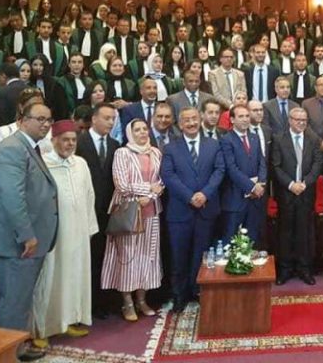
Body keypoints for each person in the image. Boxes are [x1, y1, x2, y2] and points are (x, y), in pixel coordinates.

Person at [0, 102, 58, 362]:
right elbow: (13, 197)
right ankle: (9, 355)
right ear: (22, 120)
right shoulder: (12, 149)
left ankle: (19, 348)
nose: (45, 124)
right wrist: (27, 235)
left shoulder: (27, 146)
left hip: (25, 241)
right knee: (14, 301)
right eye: (40, 119)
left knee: (21, 299)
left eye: (48, 119)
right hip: (17, 242)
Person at [33, 120, 98, 347]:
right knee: (50, 279)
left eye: (73, 140)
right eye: (65, 140)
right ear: (53, 141)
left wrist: (90, 227)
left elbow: (89, 195)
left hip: (78, 231)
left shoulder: (80, 163)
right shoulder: (43, 164)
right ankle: (42, 329)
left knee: (74, 277)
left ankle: (68, 321)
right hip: (54, 234)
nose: (70, 144)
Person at [161, 107, 226, 313]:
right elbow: (168, 175)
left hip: (207, 209)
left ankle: (198, 291)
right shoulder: (170, 148)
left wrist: (204, 194)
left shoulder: (213, 144)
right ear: (180, 125)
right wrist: (190, 197)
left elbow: (219, 170)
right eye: (186, 120)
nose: (191, 123)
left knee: (201, 254)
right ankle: (179, 295)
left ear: (200, 120)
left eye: (194, 119)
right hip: (180, 211)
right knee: (179, 256)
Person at [101, 119, 164, 321]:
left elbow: (161, 182)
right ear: (130, 133)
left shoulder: (156, 152)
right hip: (128, 213)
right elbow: (121, 185)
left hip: (151, 211)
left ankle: (142, 300)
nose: (142, 133)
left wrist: (151, 196)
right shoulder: (122, 153)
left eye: (145, 129)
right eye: (137, 130)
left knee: (148, 256)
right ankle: (127, 303)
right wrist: (147, 189)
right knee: (128, 258)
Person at [76, 103, 120, 319]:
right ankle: (87, 304)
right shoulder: (79, 142)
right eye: (106, 118)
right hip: (85, 210)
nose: (111, 122)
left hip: (108, 211)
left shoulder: (115, 145)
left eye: (113, 119)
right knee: (88, 258)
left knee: (105, 256)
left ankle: (104, 301)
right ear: (94, 119)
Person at [271, 107, 323, 285]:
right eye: (297, 119)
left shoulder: (313, 139)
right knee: (285, 232)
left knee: (305, 232)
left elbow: (317, 164)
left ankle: (304, 269)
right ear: (290, 120)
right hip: (286, 193)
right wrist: (291, 185)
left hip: (306, 193)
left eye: (304, 120)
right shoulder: (279, 139)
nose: (301, 123)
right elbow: (276, 166)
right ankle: (285, 269)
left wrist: (305, 183)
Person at [219, 105, 267, 244]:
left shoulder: (254, 137)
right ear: (232, 119)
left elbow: (262, 162)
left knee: (252, 241)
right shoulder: (226, 140)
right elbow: (231, 168)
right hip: (235, 199)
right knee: (231, 241)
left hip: (255, 200)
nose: (245, 119)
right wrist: (252, 187)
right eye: (241, 116)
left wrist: (261, 183)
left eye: (247, 116)